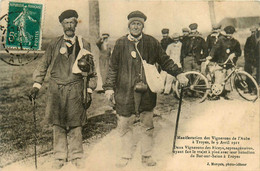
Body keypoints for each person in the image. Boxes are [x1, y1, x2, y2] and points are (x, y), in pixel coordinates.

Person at [103, 10, 188, 168]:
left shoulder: (151, 42)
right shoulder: (120, 43)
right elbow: (112, 68)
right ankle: (125, 154)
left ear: (143, 26)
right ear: (129, 26)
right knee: (124, 125)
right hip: (125, 92)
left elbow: (165, 61)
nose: (136, 26)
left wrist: (179, 74)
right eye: (133, 24)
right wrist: (108, 87)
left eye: (139, 24)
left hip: (146, 91)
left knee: (147, 125)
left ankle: (146, 155)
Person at [29, 9, 97, 169]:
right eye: (66, 23)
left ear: (76, 24)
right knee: (58, 123)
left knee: (75, 124)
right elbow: (43, 65)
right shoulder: (54, 44)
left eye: (72, 22)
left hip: (76, 89)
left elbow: (92, 70)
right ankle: (59, 157)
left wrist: (89, 90)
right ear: (61, 25)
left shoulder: (83, 44)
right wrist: (36, 85)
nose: (69, 26)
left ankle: (77, 156)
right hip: (56, 90)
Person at [208, 25, 241, 100]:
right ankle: (215, 94)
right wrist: (211, 55)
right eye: (228, 34)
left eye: (231, 34)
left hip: (230, 63)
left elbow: (239, 52)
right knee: (219, 78)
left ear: (233, 34)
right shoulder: (221, 40)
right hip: (221, 62)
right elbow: (215, 48)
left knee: (229, 79)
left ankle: (227, 93)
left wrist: (234, 54)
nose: (229, 35)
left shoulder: (236, 42)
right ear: (225, 33)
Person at [244, 26, 258, 94]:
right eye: (252, 32)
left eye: (254, 32)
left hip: (257, 60)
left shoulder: (258, 39)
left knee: (255, 75)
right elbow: (246, 50)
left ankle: (255, 89)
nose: (253, 33)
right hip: (250, 60)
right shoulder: (249, 39)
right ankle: (249, 88)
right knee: (248, 74)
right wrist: (247, 58)